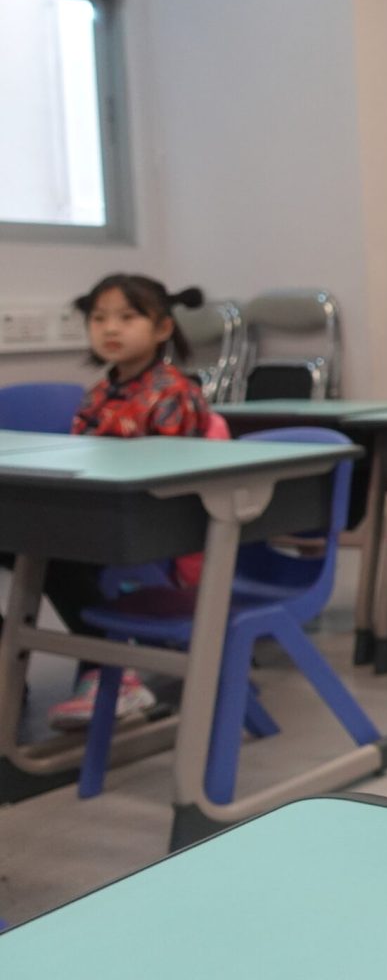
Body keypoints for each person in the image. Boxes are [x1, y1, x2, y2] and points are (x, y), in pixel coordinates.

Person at [45, 275, 211, 729]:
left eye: (127, 317)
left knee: (49, 552)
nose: (110, 328)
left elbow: (172, 477)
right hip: (102, 515)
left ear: (163, 328)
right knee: (22, 540)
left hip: (154, 524)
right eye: (98, 318)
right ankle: (88, 668)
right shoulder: (101, 392)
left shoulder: (174, 392)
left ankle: (113, 674)